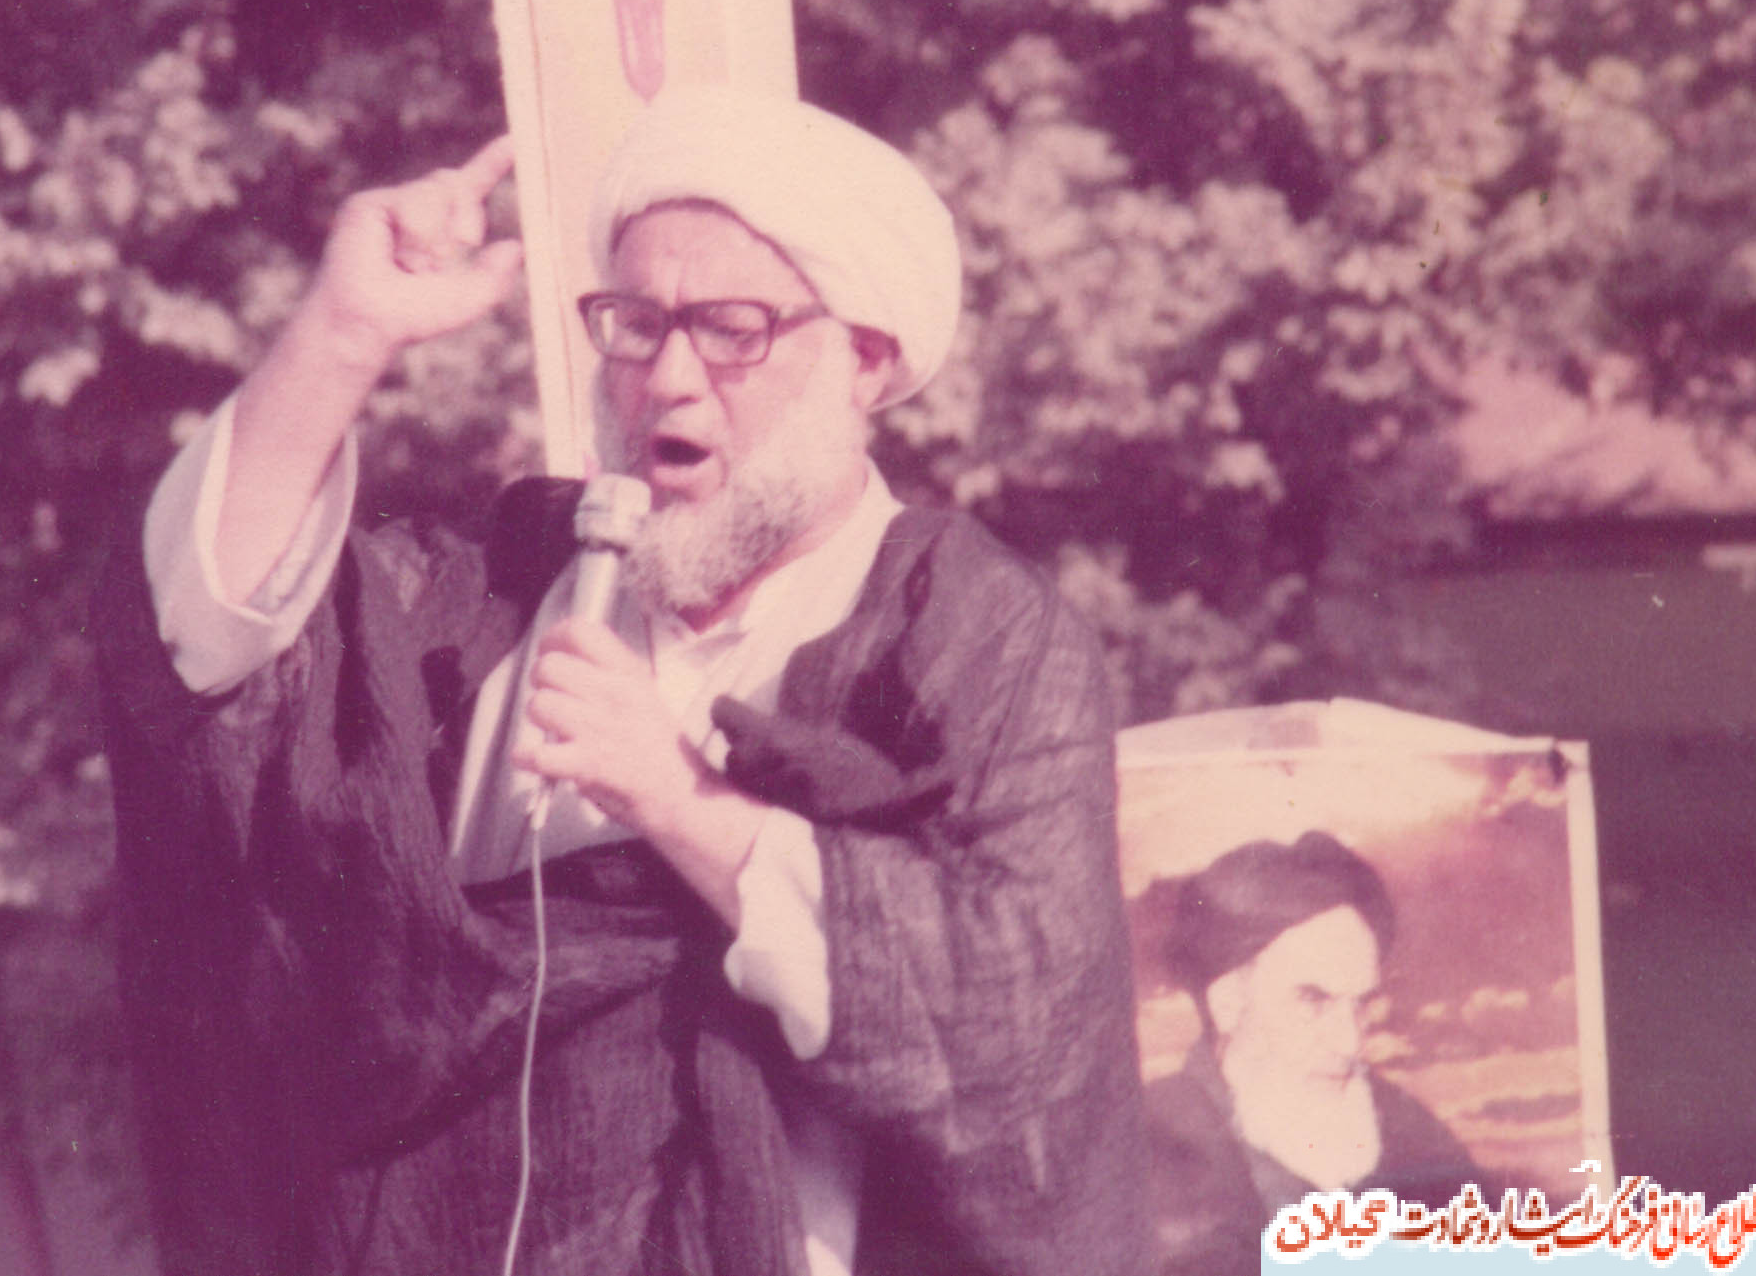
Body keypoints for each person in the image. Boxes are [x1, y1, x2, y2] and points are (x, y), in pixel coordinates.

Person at [93, 86, 1149, 1276]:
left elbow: (1020, 1030)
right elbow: (205, 647)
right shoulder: (499, 592)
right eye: (636, 323)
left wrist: (675, 798)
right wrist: (344, 333)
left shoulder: (978, 635)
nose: (668, 378)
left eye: (733, 328)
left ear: (865, 358)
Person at [1145, 833, 1481, 1274]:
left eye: (1361, 1003)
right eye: (1313, 1001)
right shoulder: (1142, 1152)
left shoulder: (1419, 1140)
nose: (1349, 1043)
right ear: (1227, 1004)